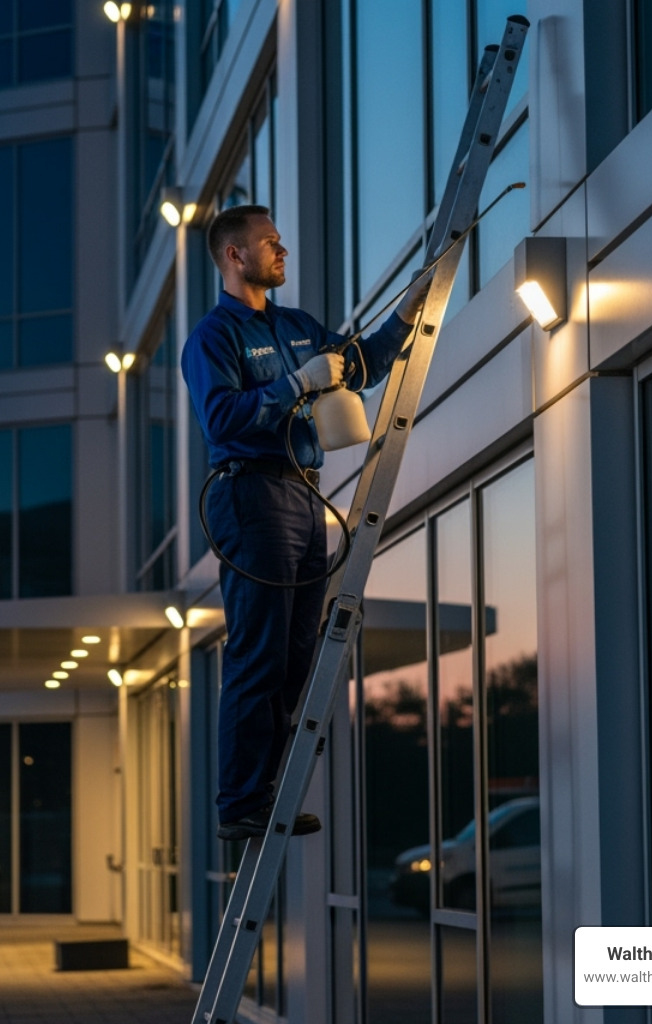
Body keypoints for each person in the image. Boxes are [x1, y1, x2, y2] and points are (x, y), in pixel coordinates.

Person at [182, 204, 428, 841]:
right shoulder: (213, 337)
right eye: (269, 243)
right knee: (259, 651)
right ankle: (240, 803)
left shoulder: (296, 325)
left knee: (297, 654)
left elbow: (361, 367)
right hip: (250, 497)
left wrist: (407, 314)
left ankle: (269, 792)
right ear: (235, 256)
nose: (281, 248)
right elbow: (223, 421)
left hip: (303, 496)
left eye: (280, 240)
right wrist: (296, 383)